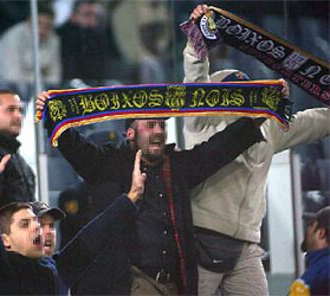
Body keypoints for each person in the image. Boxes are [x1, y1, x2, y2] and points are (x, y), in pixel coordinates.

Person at [37, 91, 267, 295]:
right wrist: (53, 115)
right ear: (130, 134)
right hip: (135, 283)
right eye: (150, 125)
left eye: (162, 125)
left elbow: (215, 150)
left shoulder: (176, 166)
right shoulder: (112, 164)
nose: (158, 132)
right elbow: (80, 151)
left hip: (176, 284)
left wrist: (254, 121)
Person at [182, 4, 330, 296]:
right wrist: (195, 39)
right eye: (234, 91)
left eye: (247, 91)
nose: (242, 96)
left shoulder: (268, 127)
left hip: (246, 247)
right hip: (201, 238)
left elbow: (317, 122)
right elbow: (195, 77)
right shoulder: (201, 119)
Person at [0, 131, 145, 295]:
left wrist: (132, 196)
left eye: (35, 222)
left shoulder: (58, 269)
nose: (36, 228)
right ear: (5, 241)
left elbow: (95, 235)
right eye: (25, 224)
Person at [0, 1, 61, 98]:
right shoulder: (13, 36)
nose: (42, 29)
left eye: (47, 25)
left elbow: (55, 78)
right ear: (29, 21)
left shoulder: (54, 40)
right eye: (39, 23)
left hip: (31, 91)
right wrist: (40, 75)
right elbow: (12, 77)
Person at [289, 206, 330, 295]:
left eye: (311, 225)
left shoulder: (323, 270)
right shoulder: (320, 268)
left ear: (321, 233)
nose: (307, 230)